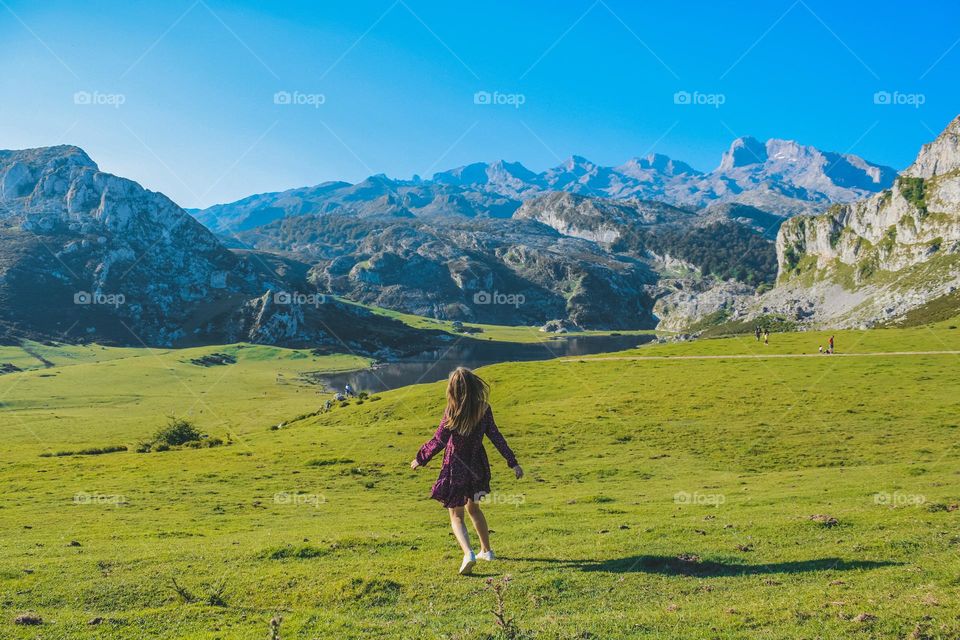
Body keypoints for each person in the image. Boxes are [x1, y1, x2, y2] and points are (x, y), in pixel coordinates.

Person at [411, 367, 523, 575]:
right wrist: (513, 462)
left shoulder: (452, 411)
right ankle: (486, 551)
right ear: (474, 386)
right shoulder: (484, 409)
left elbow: (439, 441)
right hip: (477, 465)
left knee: (456, 515)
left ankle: (468, 553)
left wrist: (420, 458)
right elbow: (496, 437)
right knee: (474, 509)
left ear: (452, 389)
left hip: (455, 466)